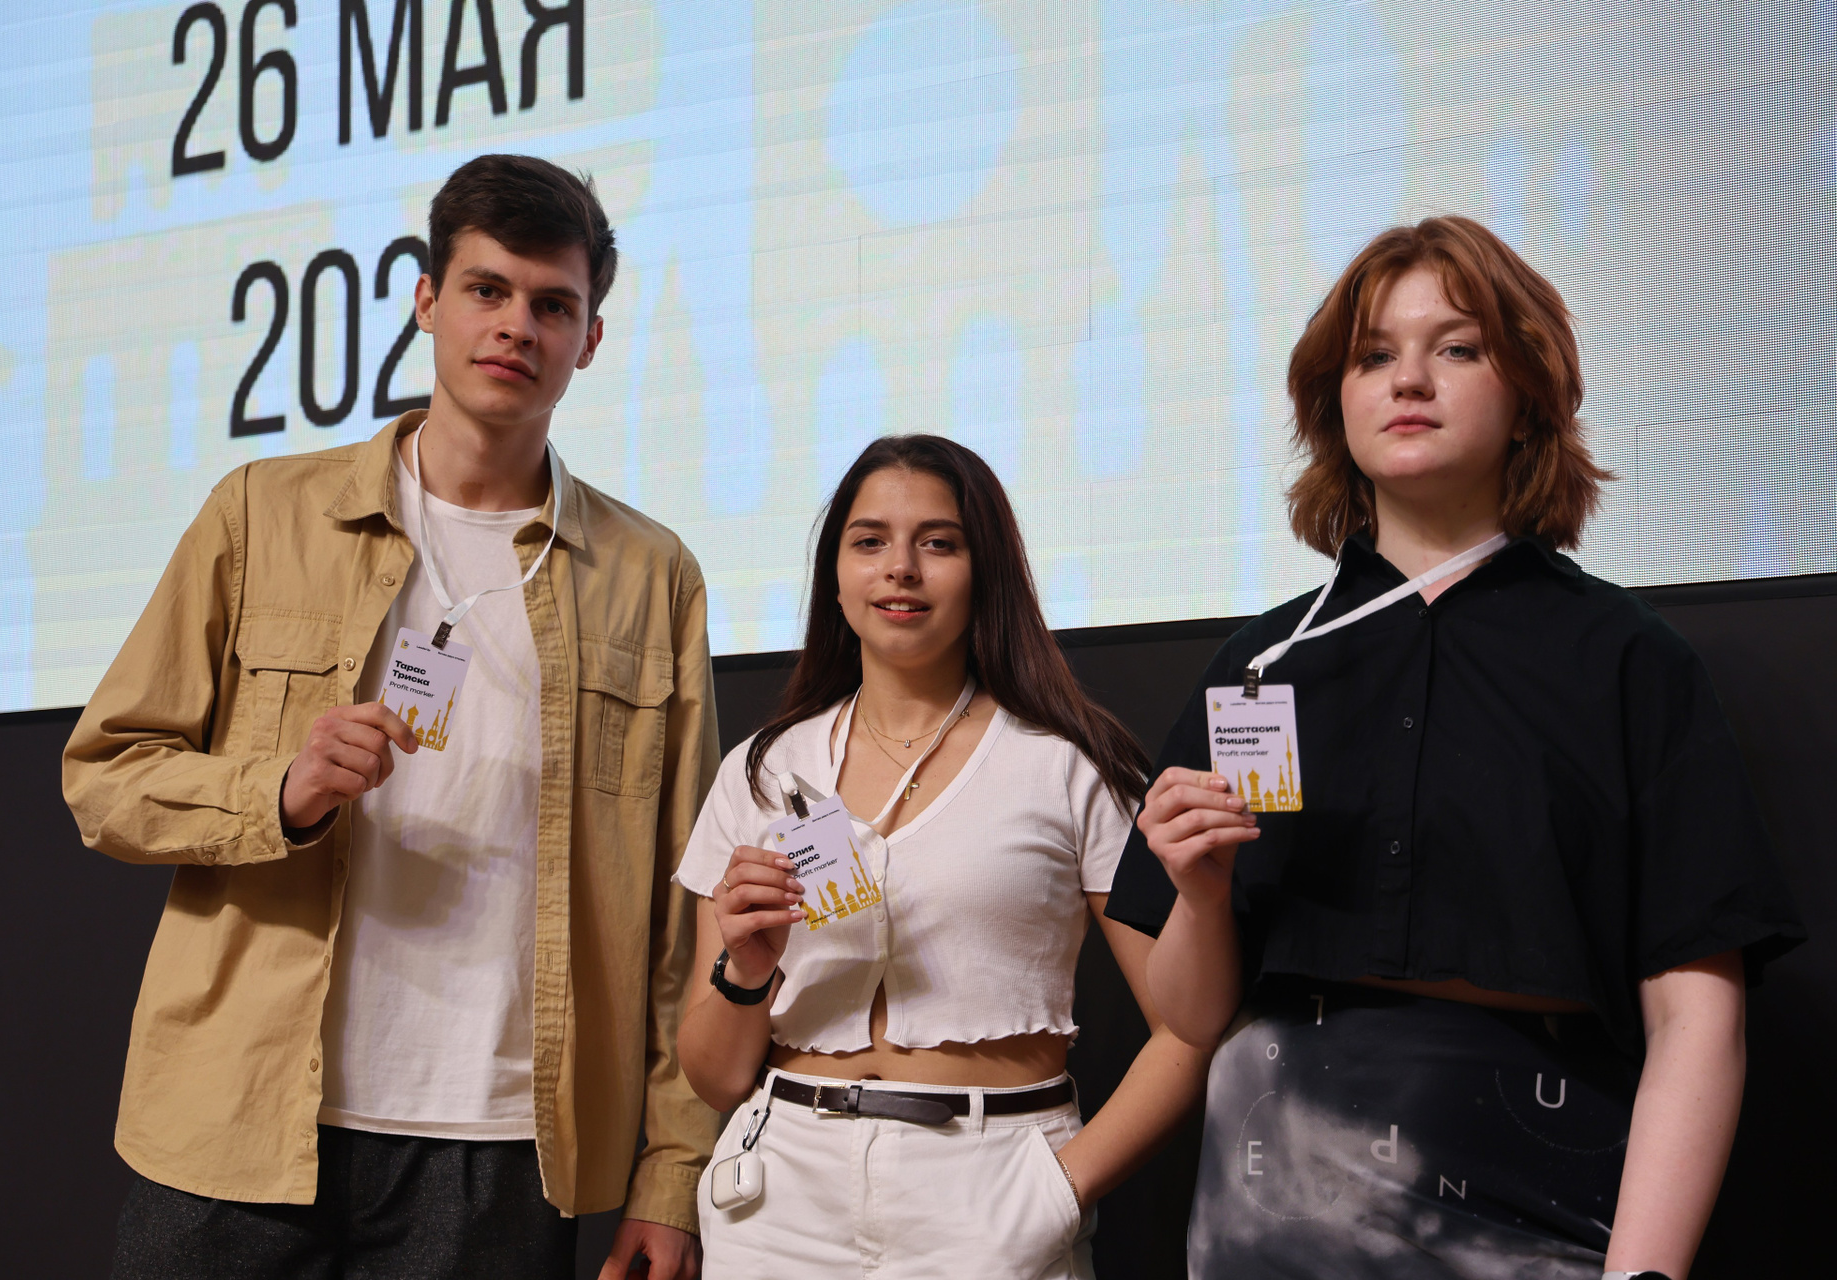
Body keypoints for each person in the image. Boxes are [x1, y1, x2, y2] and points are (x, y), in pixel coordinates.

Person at [1106, 215, 1805, 1278]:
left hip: (1540, 1198)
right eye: (1373, 356)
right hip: (1269, 1205)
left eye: (1458, 347)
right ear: (1333, 404)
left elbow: (1697, 1019)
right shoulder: (1263, 665)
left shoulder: (1629, 661)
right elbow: (1191, 1017)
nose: (1409, 379)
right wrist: (1201, 895)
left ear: (1529, 392)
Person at [64, 155, 719, 1280]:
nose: (515, 326)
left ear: (590, 340)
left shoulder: (650, 574)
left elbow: (680, 909)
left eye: (553, 305)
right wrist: (277, 791)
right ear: (425, 299)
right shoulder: (262, 513)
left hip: (499, 1146)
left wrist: (673, 1174)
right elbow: (105, 775)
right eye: (486, 289)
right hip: (239, 1120)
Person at [672, 434, 1208, 1278]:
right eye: (869, 541)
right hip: (778, 1199)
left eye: (939, 542)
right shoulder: (762, 770)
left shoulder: (1069, 763)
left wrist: (1058, 1191)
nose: (901, 568)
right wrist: (746, 970)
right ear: (834, 576)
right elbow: (714, 1079)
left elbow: (1189, 1025)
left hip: (991, 1184)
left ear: (984, 570)